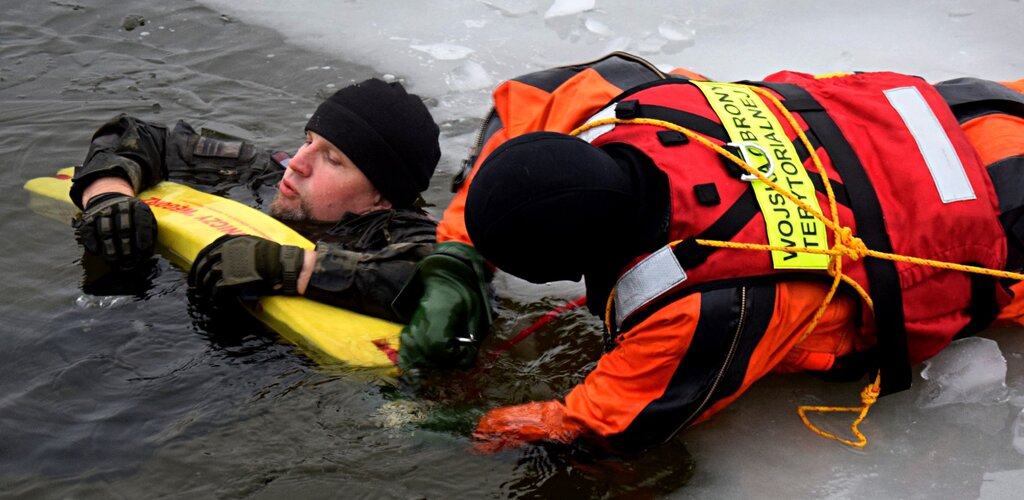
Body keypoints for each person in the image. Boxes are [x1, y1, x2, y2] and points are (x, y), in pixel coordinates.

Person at [394, 51, 1024, 451]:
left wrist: (463, 428)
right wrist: (458, 256)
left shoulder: (698, 306)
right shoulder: (655, 108)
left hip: (1010, 223)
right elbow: (535, 97)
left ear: (566, 265)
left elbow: (604, 422)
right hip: (970, 108)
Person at [71, 78, 441, 322]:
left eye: (331, 159)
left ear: (381, 198)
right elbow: (136, 134)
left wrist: (282, 266)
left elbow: (442, 281)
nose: (297, 164)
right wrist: (107, 194)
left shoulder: (396, 230)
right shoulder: (262, 172)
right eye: (309, 140)